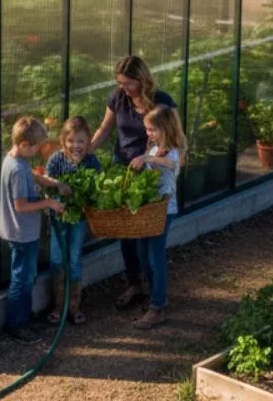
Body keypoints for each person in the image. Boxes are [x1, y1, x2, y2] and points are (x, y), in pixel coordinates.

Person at [90, 55, 177, 310]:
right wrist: (88, 148)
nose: (122, 88)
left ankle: (156, 298)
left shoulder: (162, 102)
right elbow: (105, 129)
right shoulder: (118, 98)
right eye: (119, 82)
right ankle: (135, 285)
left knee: (148, 237)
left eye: (127, 83)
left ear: (141, 80)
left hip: (151, 173)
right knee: (126, 233)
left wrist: (151, 158)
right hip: (123, 169)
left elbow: (174, 138)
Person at [0, 116, 68, 344]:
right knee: (23, 278)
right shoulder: (18, 170)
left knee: (25, 275)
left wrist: (54, 184)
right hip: (22, 232)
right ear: (24, 145)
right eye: (36, 147)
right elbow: (21, 206)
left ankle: (22, 317)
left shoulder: (14, 160)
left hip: (20, 231)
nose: (39, 151)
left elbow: (34, 176)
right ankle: (17, 325)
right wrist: (49, 203)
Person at [128, 105, 184, 330]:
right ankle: (155, 296)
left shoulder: (172, 151)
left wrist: (149, 159)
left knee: (155, 257)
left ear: (165, 128)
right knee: (142, 254)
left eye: (152, 130)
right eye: (147, 129)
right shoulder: (151, 150)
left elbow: (172, 164)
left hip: (163, 210)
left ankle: (157, 307)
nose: (148, 133)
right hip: (147, 210)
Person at [44, 116, 102, 325]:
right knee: (58, 259)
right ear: (63, 141)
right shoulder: (56, 160)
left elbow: (97, 189)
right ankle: (59, 306)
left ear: (88, 142)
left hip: (79, 219)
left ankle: (74, 306)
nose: (75, 146)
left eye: (80, 141)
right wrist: (58, 187)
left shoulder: (92, 162)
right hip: (58, 218)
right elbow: (46, 184)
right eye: (71, 141)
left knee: (75, 258)